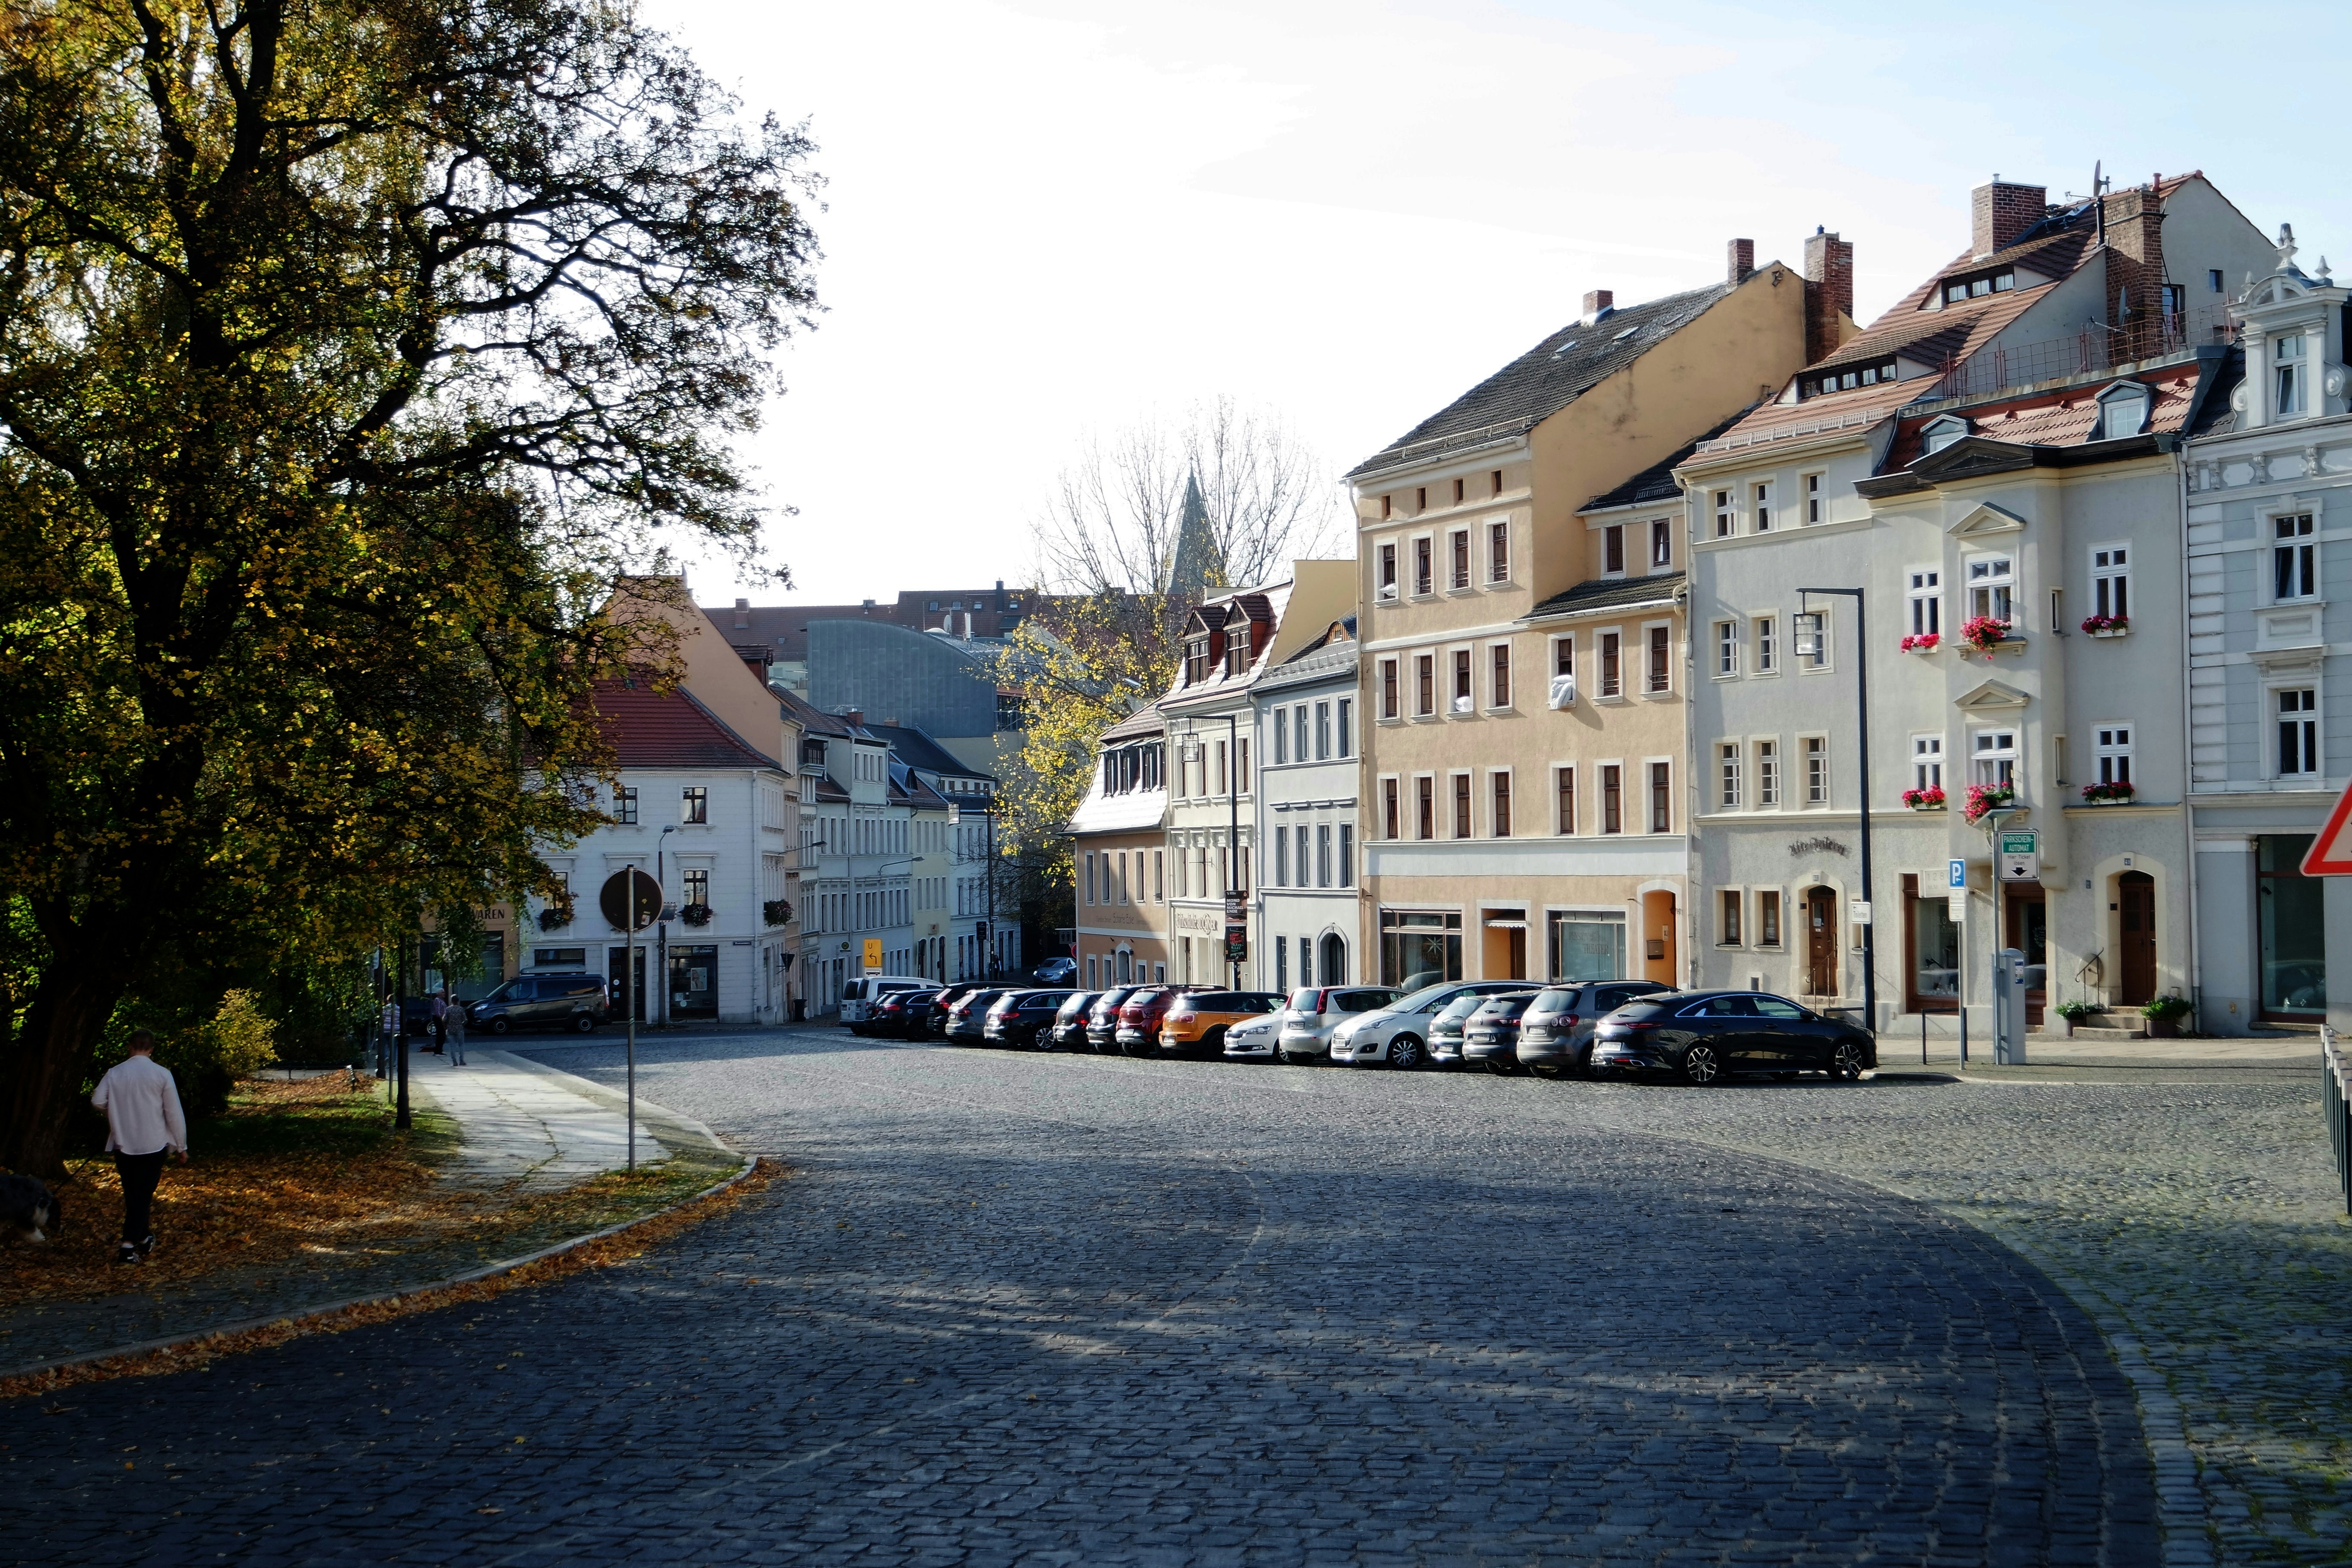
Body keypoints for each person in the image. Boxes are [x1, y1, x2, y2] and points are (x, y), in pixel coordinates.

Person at [90, 1030, 187, 1265]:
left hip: (124, 1143)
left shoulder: (115, 1073)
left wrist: (114, 1114)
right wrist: (181, 1145)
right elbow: (173, 1112)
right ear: (152, 1049)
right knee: (142, 1196)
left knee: (134, 1194)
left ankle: (143, 1238)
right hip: (154, 1143)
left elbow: (97, 1101)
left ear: (130, 1047)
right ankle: (127, 1245)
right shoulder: (162, 1074)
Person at [446, 995, 469, 1066]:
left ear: (451, 1001)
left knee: (452, 1046)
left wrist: (447, 1025)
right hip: (459, 1029)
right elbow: (465, 1020)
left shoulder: (448, 1010)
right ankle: (461, 1061)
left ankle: (454, 1061)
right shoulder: (461, 1009)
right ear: (458, 1001)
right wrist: (462, 1024)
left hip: (450, 1029)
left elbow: (444, 1019)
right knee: (461, 1045)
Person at [429, 985, 448, 1054]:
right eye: (443, 992)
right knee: (441, 1035)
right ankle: (438, 1050)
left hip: (441, 1019)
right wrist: (442, 1020)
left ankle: (439, 1050)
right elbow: (438, 1012)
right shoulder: (438, 1001)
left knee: (442, 1035)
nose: (444, 994)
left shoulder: (441, 1001)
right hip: (439, 1019)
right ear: (440, 993)